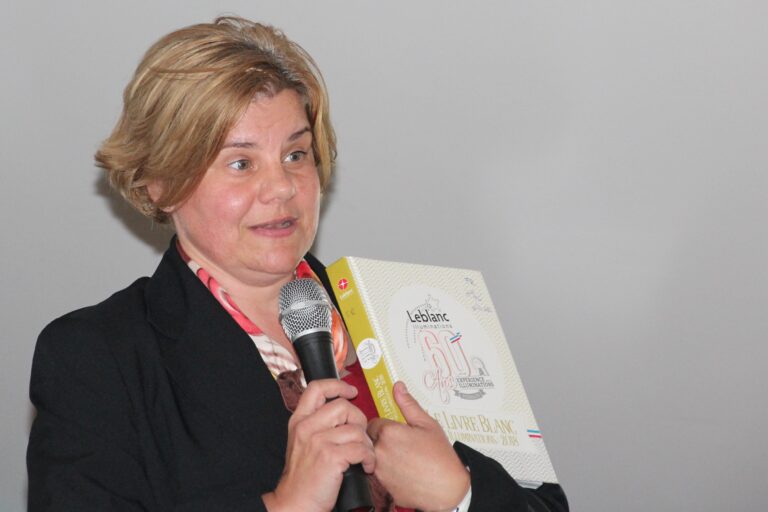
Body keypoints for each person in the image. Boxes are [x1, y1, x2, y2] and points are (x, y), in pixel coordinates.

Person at [27, 16, 568, 512]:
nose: (282, 187)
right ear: (162, 183)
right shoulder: (97, 358)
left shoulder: (413, 310)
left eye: (295, 154)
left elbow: (545, 503)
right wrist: (287, 505)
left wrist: (462, 494)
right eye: (241, 163)